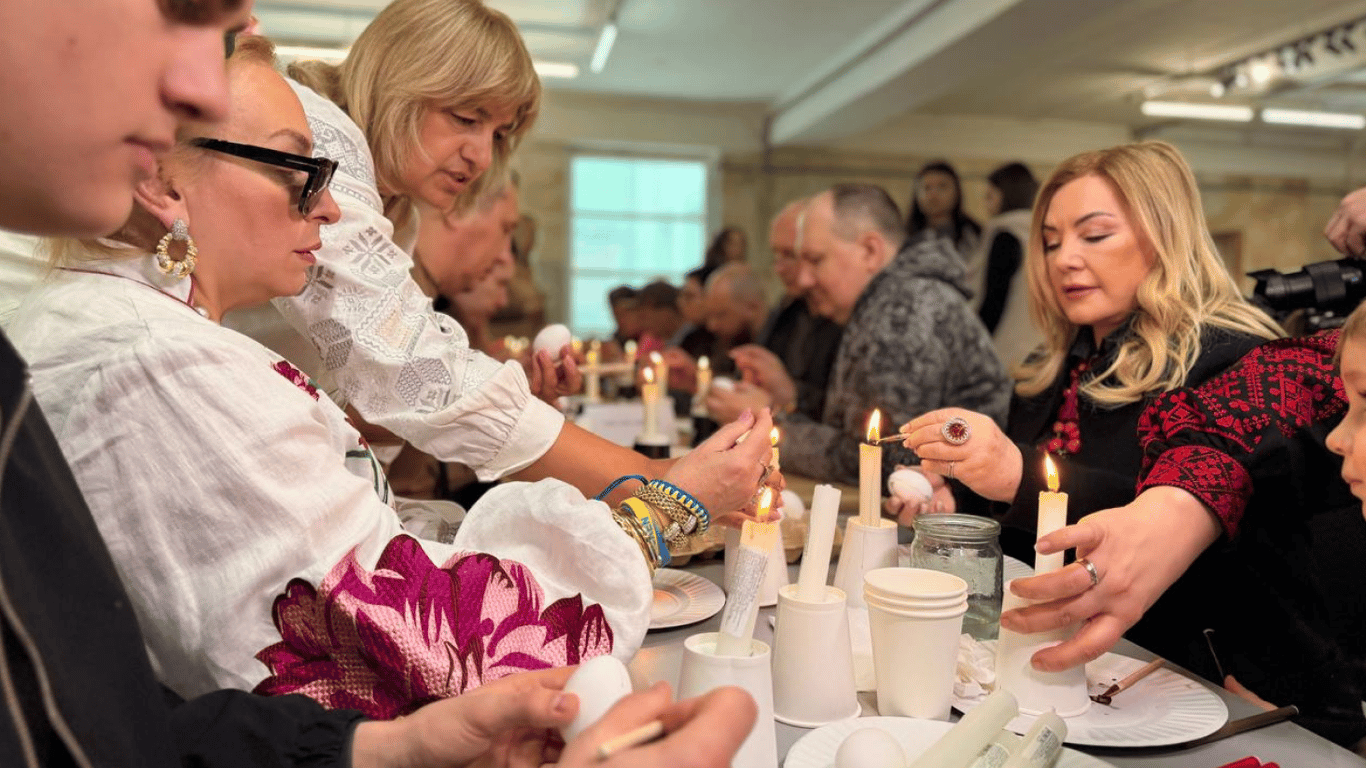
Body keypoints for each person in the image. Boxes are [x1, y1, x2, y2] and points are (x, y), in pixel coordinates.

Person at [0, 2, 755, 767]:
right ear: (163, 176)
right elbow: (412, 637)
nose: (327, 208)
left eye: (498, 134)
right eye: (303, 173)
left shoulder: (156, 338)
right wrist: (660, 503)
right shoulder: (156, 361)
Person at [716, 183, 1009, 486]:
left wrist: (768, 429)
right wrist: (792, 396)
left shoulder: (905, 307)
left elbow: (887, 461)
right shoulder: (889, 298)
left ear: (870, 251)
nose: (803, 279)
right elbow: (858, 421)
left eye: (816, 260)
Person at [736, 199, 843, 421]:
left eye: (789, 255)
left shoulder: (844, 313)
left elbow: (850, 423)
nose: (778, 268)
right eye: (776, 255)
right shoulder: (790, 308)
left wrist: (791, 394)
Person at [964, 162, 1041, 368]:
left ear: (1007, 195)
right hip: (1037, 344)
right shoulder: (1041, 232)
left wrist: (973, 347)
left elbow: (994, 301)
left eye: (990, 196)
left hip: (1005, 346)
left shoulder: (1006, 235)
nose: (986, 204)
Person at [906, 160, 981, 258]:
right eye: (926, 188)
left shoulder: (974, 235)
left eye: (942, 187)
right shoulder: (903, 235)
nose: (933, 195)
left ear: (957, 192)